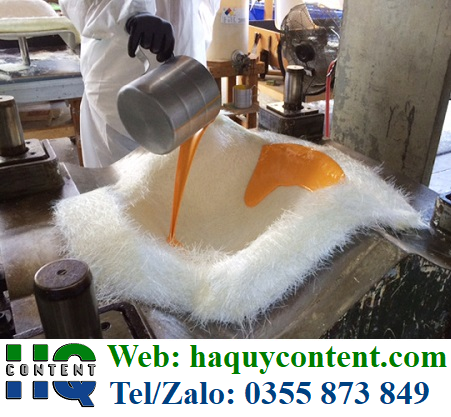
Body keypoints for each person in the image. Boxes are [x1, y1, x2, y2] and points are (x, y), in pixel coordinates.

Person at [60, 0, 220, 167]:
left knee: (188, 173)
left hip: (187, 88)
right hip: (122, 91)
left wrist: (195, 37)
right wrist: (128, 13)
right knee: (121, 179)